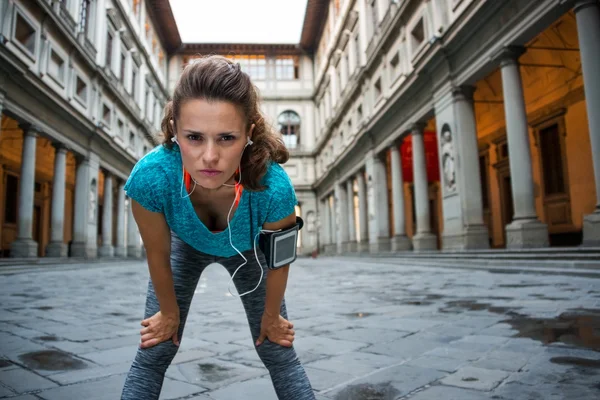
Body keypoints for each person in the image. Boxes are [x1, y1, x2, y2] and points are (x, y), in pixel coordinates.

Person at [120, 55, 315, 400]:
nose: (209, 157)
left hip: (249, 249)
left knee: (276, 349)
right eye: (194, 137)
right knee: (156, 349)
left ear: (249, 135)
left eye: (226, 138)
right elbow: (158, 253)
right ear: (174, 130)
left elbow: (279, 260)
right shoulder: (151, 177)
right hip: (184, 244)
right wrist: (168, 312)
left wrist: (271, 317)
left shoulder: (275, 187)